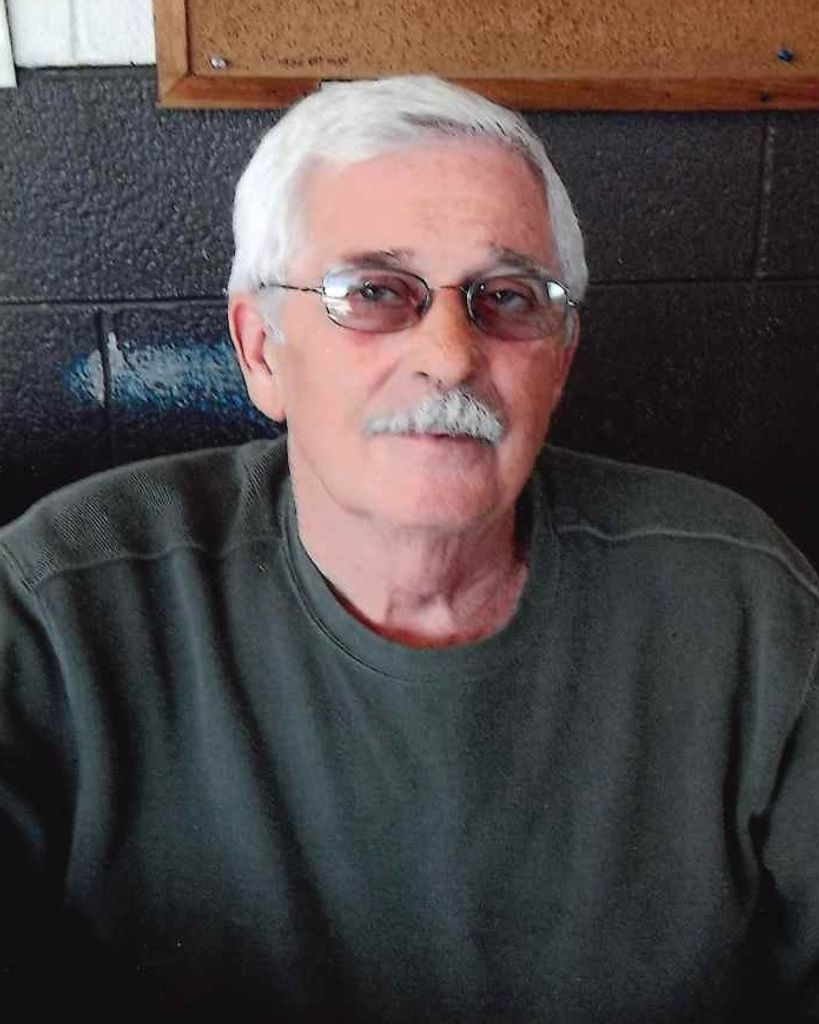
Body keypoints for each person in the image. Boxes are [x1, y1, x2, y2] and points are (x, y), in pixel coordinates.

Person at [1, 74, 818, 1023]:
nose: (450, 355)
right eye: (374, 293)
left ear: (559, 358)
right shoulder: (63, 605)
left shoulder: (740, 604)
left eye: (506, 296)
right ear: (261, 350)